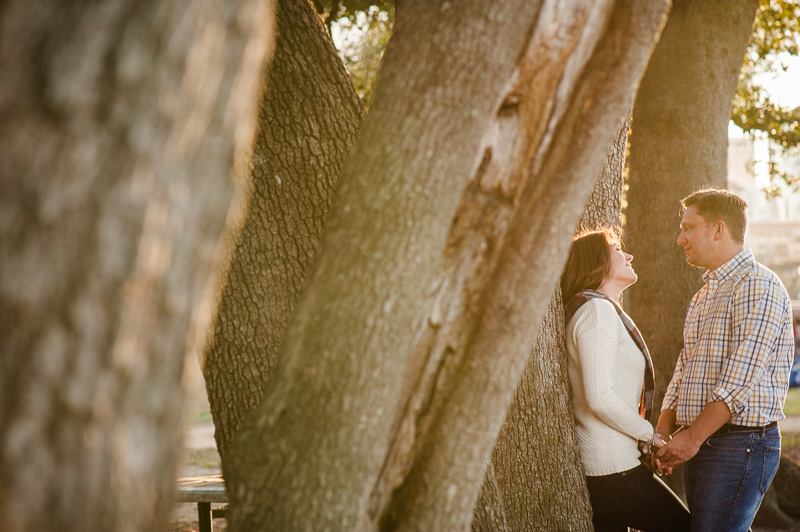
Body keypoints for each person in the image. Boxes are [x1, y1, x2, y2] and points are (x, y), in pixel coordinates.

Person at [653, 187, 795, 532]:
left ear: (718, 229)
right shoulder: (704, 295)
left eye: (688, 227)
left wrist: (691, 438)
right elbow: (684, 370)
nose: (679, 238)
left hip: (741, 446)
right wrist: (662, 433)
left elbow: (739, 380)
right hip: (708, 441)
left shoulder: (759, 285)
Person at [561, 228, 690, 532]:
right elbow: (600, 397)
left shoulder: (600, 310)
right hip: (612, 471)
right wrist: (651, 436)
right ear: (597, 262)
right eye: (618, 249)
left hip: (614, 466)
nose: (629, 255)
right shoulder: (596, 312)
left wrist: (644, 447)